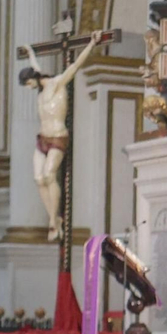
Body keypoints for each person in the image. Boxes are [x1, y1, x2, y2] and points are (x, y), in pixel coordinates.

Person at [19, 34, 105, 242]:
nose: (29, 88)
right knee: (38, 178)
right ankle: (54, 219)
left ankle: (52, 221)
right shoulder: (40, 90)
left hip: (58, 137)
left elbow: (75, 66)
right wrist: (31, 53)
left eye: (28, 83)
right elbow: (35, 65)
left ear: (34, 79)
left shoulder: (57, 84)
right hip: (43, 138)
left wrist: (92, 43)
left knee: (49, 175)